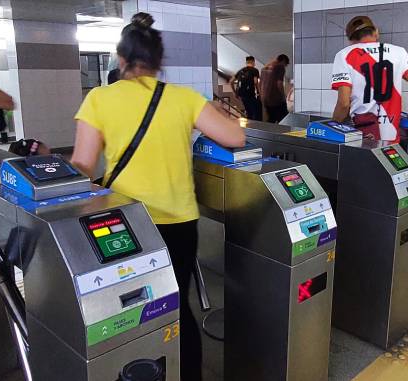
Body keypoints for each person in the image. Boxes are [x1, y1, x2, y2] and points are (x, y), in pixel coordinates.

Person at [71, 13, 245, 381]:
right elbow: (236, 138)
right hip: (180, 222)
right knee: (177, 304)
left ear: (120, 59)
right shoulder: (183, 98)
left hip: (124, 224)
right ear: (159, 62)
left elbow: (83, 165)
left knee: (128, 308)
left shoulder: (99, 98)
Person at [330, 16, 408, 143]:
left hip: (364, 135)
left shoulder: (344, 55)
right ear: (376, 32)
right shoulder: (399, 52)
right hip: (392, 137)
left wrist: (333, 127)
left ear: (350, 40)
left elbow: (343, 104)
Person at [260, 54, 290, 123]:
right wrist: (283, 96)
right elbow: (279, 84)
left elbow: (260, 83)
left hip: (265, 99)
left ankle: (268, 132)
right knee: (285, 118)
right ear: (283, 61)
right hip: (276, 99)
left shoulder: (264, 69)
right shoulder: (280, 67)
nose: (286, 66)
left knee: (272, 118)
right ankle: (283, 133)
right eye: (286, 64)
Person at [231, 56, 261, 120]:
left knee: (248, 112)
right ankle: (255, 127)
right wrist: (259, 93)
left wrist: (235, 93)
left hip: (242, 95)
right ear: (253, 62)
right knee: (256, 112)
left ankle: (249, 126)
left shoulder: (240, 71)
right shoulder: (255, 70)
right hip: (250, 94)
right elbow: (255, 82)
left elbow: (231, 81)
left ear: (246, 62)